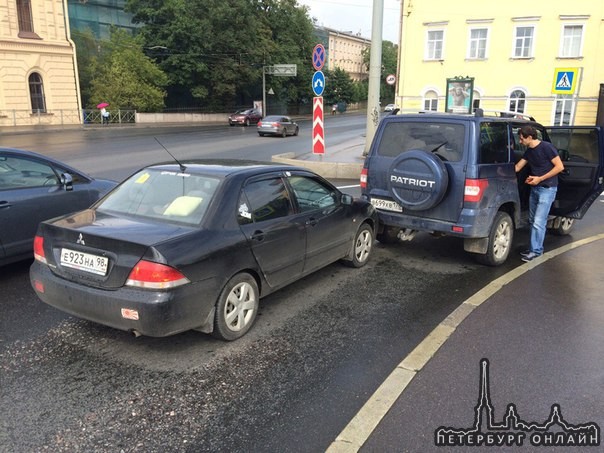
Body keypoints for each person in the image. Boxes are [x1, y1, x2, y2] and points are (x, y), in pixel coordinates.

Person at [514, 125, 564, 262]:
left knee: (538, 222)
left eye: (521, 138)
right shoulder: (529, 151)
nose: (520, 141)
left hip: (547, 189)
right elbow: (518, 167)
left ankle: (536, 251)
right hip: (535, 188)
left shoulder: (547, 147)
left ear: (530, 137)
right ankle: (533, 248)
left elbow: (560, 167)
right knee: (532, 221)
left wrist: (539, 179)